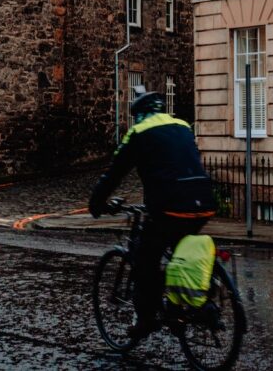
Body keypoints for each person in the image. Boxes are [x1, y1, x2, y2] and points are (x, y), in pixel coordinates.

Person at [89, 85, 216, 339]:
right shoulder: (183, 126)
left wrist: (97, 204)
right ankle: (184, 303)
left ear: (140, 115)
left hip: (170, 207)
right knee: (181, 251)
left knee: (145, 260)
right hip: (204, 201)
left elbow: (114, 173)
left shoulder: (138, 132)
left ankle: (146, 320)